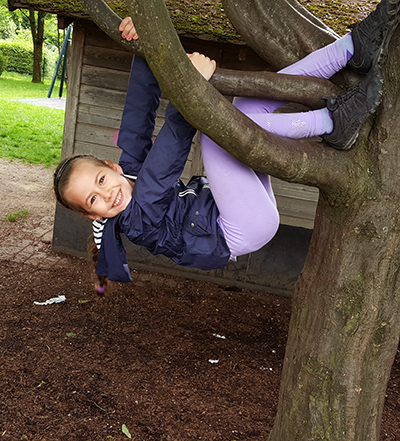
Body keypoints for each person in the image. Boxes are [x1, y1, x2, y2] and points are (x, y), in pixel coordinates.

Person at [54, 0, 399, 293]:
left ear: (110, 167)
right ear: (92, 215)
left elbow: (136, 119)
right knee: (215, 134)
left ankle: (353, 48)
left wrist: (142, 48)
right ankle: (331, 123)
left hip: (232, 210)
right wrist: (192, 89)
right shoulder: (136, 220)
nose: (107, 195)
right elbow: (166, 158)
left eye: (100, 181)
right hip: (238, 229)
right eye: (94, 201)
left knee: (248, 105)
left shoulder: (127, 171)